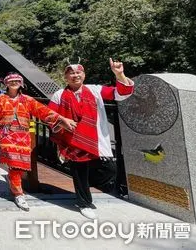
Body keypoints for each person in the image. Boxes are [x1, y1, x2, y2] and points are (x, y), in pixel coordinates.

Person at [48, 58, 134, 219]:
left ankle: (87, 192)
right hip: (72, 141)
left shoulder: (95, 90)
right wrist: (62, 122)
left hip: (93, 139)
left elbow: (121, 93)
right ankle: (84, 202)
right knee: (80, 173)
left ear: (84, 75)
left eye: (78, 72)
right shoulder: (59, 95)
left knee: (109, 169)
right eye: (71, 73)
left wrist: (119, 74)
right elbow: (49, 116)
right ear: (66, 78)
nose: (75, 75)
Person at [0, 72, 76, 211]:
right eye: (11, 81)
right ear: (6, 84)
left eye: (17, 81)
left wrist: (61, 119)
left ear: (21, 83)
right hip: (6, 136)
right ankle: (18, 193)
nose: (14, 83)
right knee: (15, 165)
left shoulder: (28, 100)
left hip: (23, 136)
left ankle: (14, 186)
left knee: (19, 166)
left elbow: (43, 111)